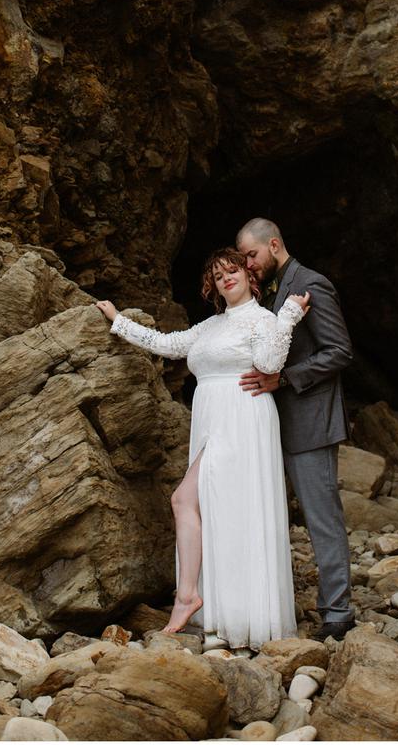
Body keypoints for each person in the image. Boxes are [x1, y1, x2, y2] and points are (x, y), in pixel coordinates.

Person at [96, 248, 310, 649]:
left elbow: (268, 362)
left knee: (188, 500)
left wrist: (288, 318)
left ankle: (195, 598)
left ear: (249, 277)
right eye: (217, 275)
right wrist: (118, 321)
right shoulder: (210, 326)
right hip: (213, 421)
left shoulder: (263, 318)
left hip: (243, 418)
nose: (226, 278)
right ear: (211, 286)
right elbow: (168, 344)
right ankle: (203, 602)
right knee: (205, 506)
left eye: (233, 271)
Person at [235, 218, 355, 640]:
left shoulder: (311, 283)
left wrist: (284, 379)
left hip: (311, 424)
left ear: (273, 244)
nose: (247, 264)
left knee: (323, 520)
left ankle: (338, 613)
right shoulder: (265, 292)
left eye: (251, 255)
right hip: (273, 425)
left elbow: (339, 351)